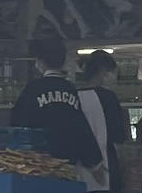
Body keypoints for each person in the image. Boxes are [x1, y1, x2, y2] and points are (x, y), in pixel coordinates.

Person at [10, 34, 103, 182]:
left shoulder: (33, 89)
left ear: (40, 61)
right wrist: (94, 163)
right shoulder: (69, 89)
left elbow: (17, 125)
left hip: (36, 168)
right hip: (66, 169)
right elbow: (81, 128)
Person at [77, 50, 128, 193]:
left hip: (78, 170)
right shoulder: (108, 98)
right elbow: (119, 135)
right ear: (102, 71)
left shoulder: (74, 96)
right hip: (107, 167)